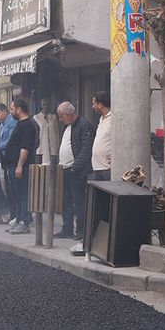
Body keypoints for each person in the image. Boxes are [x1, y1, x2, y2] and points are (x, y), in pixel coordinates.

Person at [55, 101, 96, 241]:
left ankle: (80, 230)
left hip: (76, 169)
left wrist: (75, 167)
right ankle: (67, 228)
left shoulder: (83, 125)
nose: (60, 120)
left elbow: (86, 149)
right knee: (66, 200)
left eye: (61, 116)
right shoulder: (68, 126)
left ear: (68, 114)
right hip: (66, 168)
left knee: (79, 201)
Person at [4, 98, 37, 235]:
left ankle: (24, 222)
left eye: (12, 109)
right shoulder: (20, 123)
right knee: (16, 194)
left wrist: (19, 166)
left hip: (20, 166)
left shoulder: (27, 125)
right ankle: (18, 219)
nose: (10, 112)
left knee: (23, 194)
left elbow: (25, 147)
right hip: (12, 164)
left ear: (19, 109)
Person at [91, 91, 112, 181]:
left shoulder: (114, 118)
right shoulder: (101, 119)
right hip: (97, 167)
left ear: (100, 105)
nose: (93, 107)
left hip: (107, 168)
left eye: (94, 104)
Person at [33, 97, 59, 165]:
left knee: (53, 169)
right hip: (41, 148)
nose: (46, 106)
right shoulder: (36, 118)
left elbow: (57, 132)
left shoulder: (54, 117)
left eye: (47, 104)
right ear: (41, 105)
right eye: (44, 104)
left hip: (53, 149)